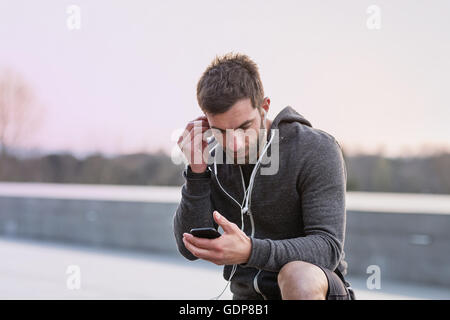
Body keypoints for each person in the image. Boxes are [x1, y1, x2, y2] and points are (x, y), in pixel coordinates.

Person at [173, 52, 355, 300]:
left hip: (317, 290)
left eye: (243, 127)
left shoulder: (315, 149)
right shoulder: (213, 159)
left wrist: (250, 251)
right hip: (247, 299)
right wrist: (196, 172)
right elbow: (189, 248)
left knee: (297, 275)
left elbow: (328, 248)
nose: (234, 144)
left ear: (264, 107)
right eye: (220, 131)